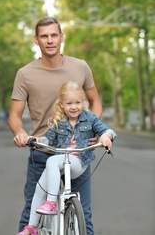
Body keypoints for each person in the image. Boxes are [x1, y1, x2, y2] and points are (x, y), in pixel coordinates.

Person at [8, 17, 102, 235]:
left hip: (77, 152)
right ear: (36, 40)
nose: (49, 40)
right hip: (43, 151)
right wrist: (21, 133)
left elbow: (95, 101)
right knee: (31, 212)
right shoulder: (25, 74)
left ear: (61, 38)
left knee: (83, 214)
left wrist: (94, 129)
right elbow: (14, 115)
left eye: (53, 35)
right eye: (44, 36)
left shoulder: (80, 66)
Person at [18, 81, 117, 235]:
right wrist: (37, 140)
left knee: (51, 161)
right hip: (61, 162)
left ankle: (51, 203)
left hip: (78, 162)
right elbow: (48, 139)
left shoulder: (90, 118)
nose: (74, 106)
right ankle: (32, 226)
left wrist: (106, 137)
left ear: (83, 102)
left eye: (77, 102)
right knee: (39, 188)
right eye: (69, 103)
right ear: (62, 104)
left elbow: (107, 130)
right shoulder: (59, 121)